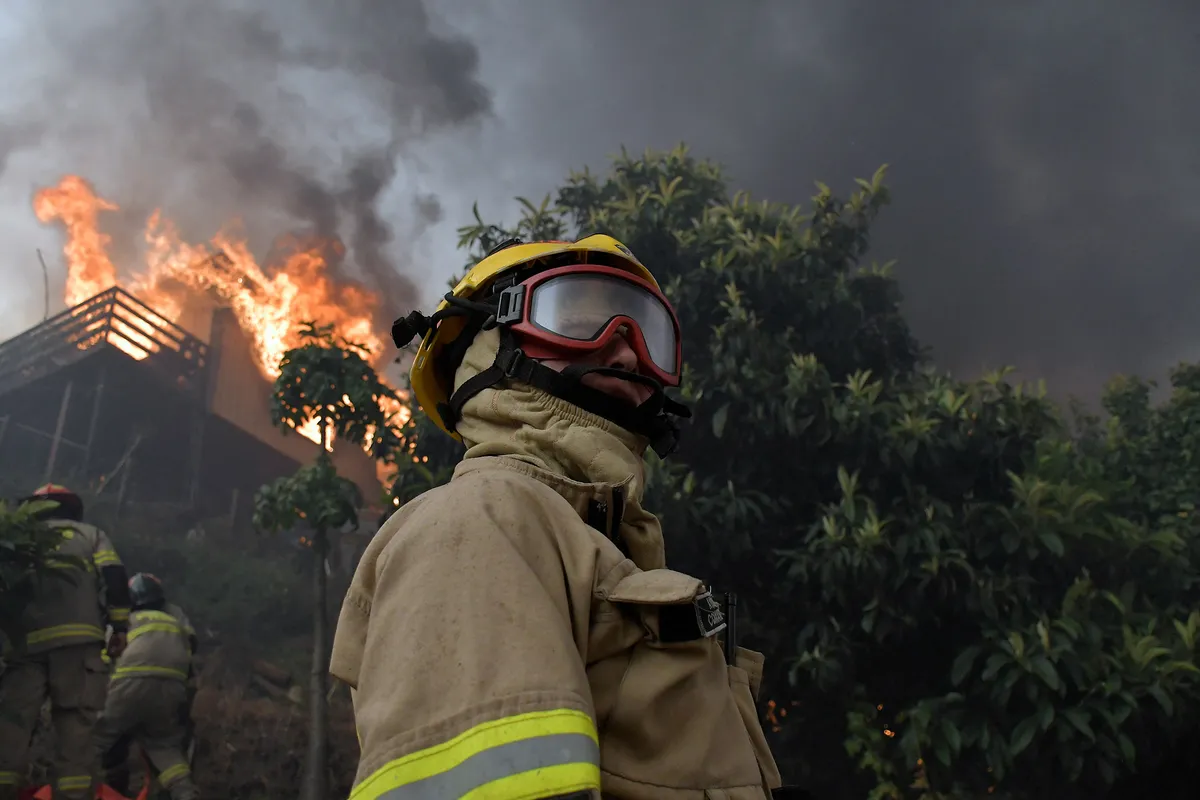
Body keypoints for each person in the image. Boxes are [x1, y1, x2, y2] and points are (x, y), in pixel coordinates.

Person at [331, 235, 783, 799]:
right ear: (490, 342)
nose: (625, 352)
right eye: (577, 321)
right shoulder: (481, 521)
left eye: (646, 334)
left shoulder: (591, 543)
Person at [0, 483, 131, 800]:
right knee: (76, 733)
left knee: (10, 729)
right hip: (79, 648)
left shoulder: (18, 540)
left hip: (25, 649)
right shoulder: (91, 535)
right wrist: (119, 627)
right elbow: (114, 577)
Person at [93, 573, 200, 800]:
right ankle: (186, 794)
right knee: (165, 748)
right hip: (171, 690)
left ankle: (70, 792)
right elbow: (191, 651)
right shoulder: (175, 621)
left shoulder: (125, 622)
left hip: (130, 686)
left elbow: (104, 656)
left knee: (94, 742)